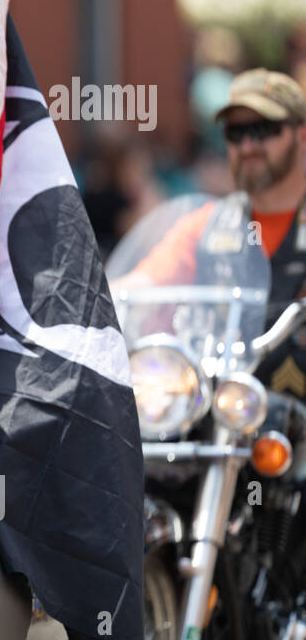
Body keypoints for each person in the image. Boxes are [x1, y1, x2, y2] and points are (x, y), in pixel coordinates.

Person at [124, 68, 306, 397]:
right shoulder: (207, 225)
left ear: (301, 135)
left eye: (263, 129)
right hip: (219, 417)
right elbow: (140, 287)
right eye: (235, 133)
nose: (248, 145)